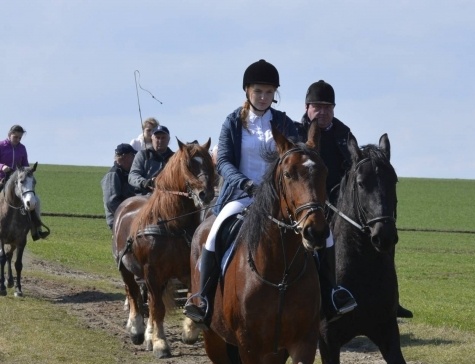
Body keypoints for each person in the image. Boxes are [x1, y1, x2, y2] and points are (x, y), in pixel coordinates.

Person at [183, 59, 339, 324]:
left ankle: (331, 295)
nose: (264, 97)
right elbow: (223, 162)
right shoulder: (233, 122)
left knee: (327, 236)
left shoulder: (285, 123)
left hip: (280, 200)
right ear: (247, 91)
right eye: (259, 92)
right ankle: (204, 299)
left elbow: (298, 156)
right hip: (240, 196)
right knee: (213, 236)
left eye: (269, 92)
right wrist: (244, 183)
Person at [296, 80, 414, 319]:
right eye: (317, 106)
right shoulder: (296, 133)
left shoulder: (343, 133)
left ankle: (391, 299)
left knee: (380, 234)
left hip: (342, 201)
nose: (323, 112)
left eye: (328, 107)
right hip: (307, 202)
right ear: (307, 108)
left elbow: (356, 168)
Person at [0, 125, 50, 240]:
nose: (17, 139)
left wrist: (29, 171)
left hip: (18, 182)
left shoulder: (22, 148)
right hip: (2, 178)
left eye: (19, 138)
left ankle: (36, 229)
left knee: (35, 200)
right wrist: (2, 167)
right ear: (9, 134)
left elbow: (25, 165)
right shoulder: (1, 146)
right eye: (15, 136)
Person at [101, 143, 138, 228]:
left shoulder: (125, 173)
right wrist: (129, 216)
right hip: (120, 221)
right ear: (125, 157)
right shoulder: (113, 174)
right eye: (133, 155)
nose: (135, 158)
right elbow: (111, 202)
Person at [128, 124, 174, 194]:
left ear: (169, 139)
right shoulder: (142, 155)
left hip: (169, 195)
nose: (160, 140)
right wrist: (144, 182)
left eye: (163, 138)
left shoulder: (174, 158)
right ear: (152, 138)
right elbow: (133, 175)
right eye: (157, 137)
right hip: (146, 195)